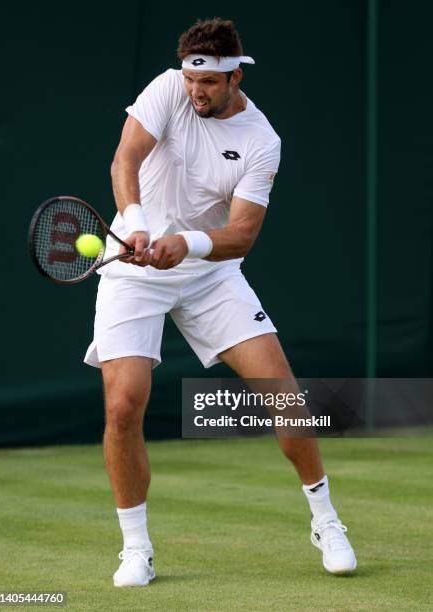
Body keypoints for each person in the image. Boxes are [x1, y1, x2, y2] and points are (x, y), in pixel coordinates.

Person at [84, 17, 357, 587]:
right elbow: (124, 161)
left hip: (211, 274)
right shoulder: (167, 89)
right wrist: (135, 224)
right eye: (190, 79)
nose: (195, 91)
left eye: (207, 82)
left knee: (284, 394)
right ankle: (136, 549)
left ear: (236, 75)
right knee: (122, 405)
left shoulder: (262, 140)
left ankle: (326, 519)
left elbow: (243, 235)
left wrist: (187, 243)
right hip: (136, 271)